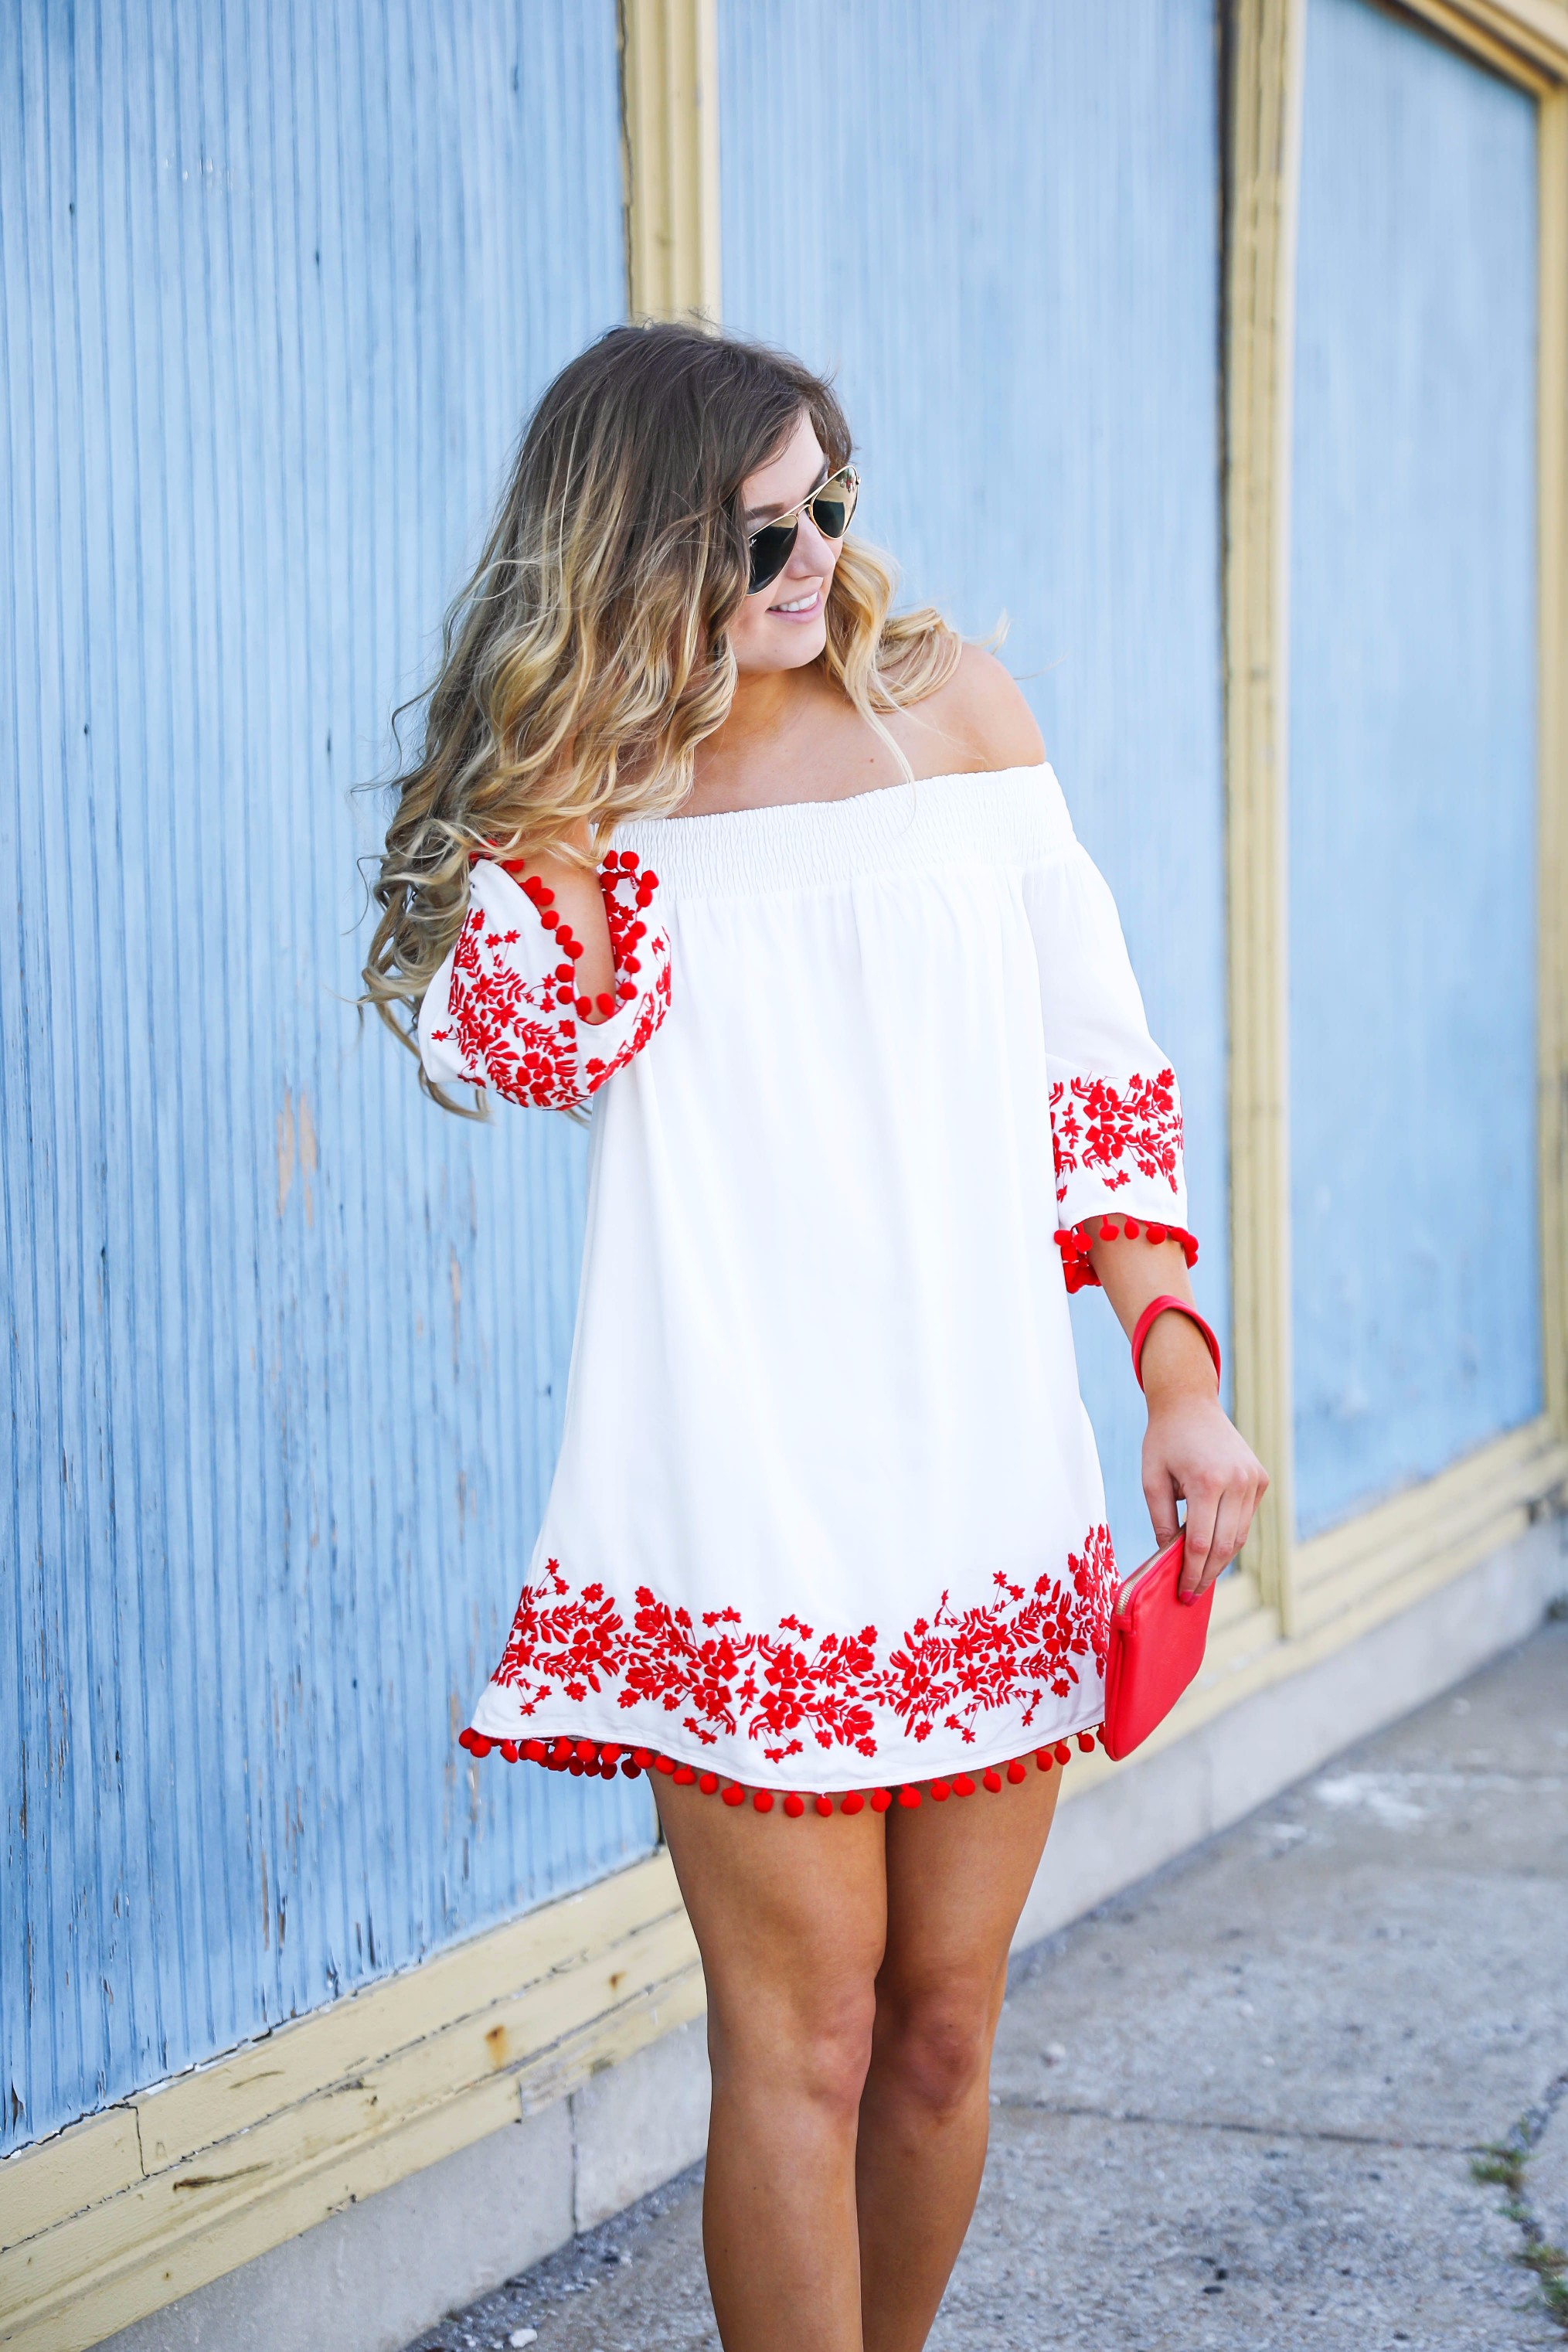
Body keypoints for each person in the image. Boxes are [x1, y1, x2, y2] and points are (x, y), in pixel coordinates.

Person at [364, 322, 1267, 2352]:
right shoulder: (597, 800)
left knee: (945, 2030)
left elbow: (1095, 1087)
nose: (811, 557)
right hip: (738, 1492)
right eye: (757, 527)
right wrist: (584, 782)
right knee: (812, 2038)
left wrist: (1181, 1381)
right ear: (638, 547)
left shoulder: (960, 718)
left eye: (830, 503)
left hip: (980, 1472)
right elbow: (510, 1038)